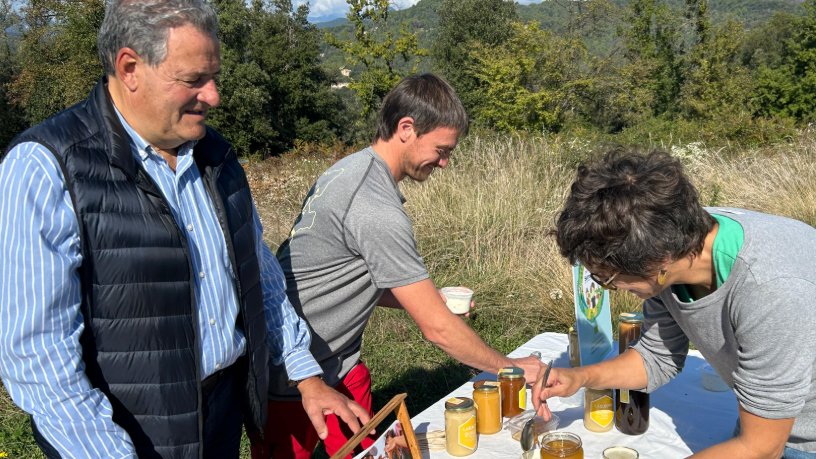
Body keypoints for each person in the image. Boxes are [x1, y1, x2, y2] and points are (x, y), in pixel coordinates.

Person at [0, 1, 368, 457]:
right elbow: (40, 357)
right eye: (194, 80)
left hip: (222, 410)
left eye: (214, 78)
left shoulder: (216, 156)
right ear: (130, 67)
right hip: (122, 435)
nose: (213, 96)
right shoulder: (48, 166)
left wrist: (305, 373)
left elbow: (258, 275)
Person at [253, 73, 543, 459]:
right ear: (406, 128)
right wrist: (509, 367)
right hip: (290, 374)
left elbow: (343, 274)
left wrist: (426, 298)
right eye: (441, 150)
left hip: (340, 360)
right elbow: (437, 328)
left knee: (370, 452)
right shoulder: (374, 206)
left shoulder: (350, 169)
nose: (444, 163)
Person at [532, 148, 816, 458]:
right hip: (767, 423)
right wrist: (580, 378)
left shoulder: (771, 289)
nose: (611, 290)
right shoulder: (668, 236)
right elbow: (655, 358)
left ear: (659, 262)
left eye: (607, 279)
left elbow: (761, 447)